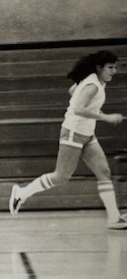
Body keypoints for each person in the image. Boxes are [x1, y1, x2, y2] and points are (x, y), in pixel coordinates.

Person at [9, 50, 126, 229]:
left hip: (87, 134)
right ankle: (21, 193)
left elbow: (73, 91)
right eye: (110, 67)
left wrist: (94, 110)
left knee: (104, 172)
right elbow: (78, 108)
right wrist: (106, 117)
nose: (114, 71)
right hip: (73, 132)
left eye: (115, 67)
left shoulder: (97, 81)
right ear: (99, 68)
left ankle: (114, 219)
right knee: (61, 176)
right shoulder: (93, 85)